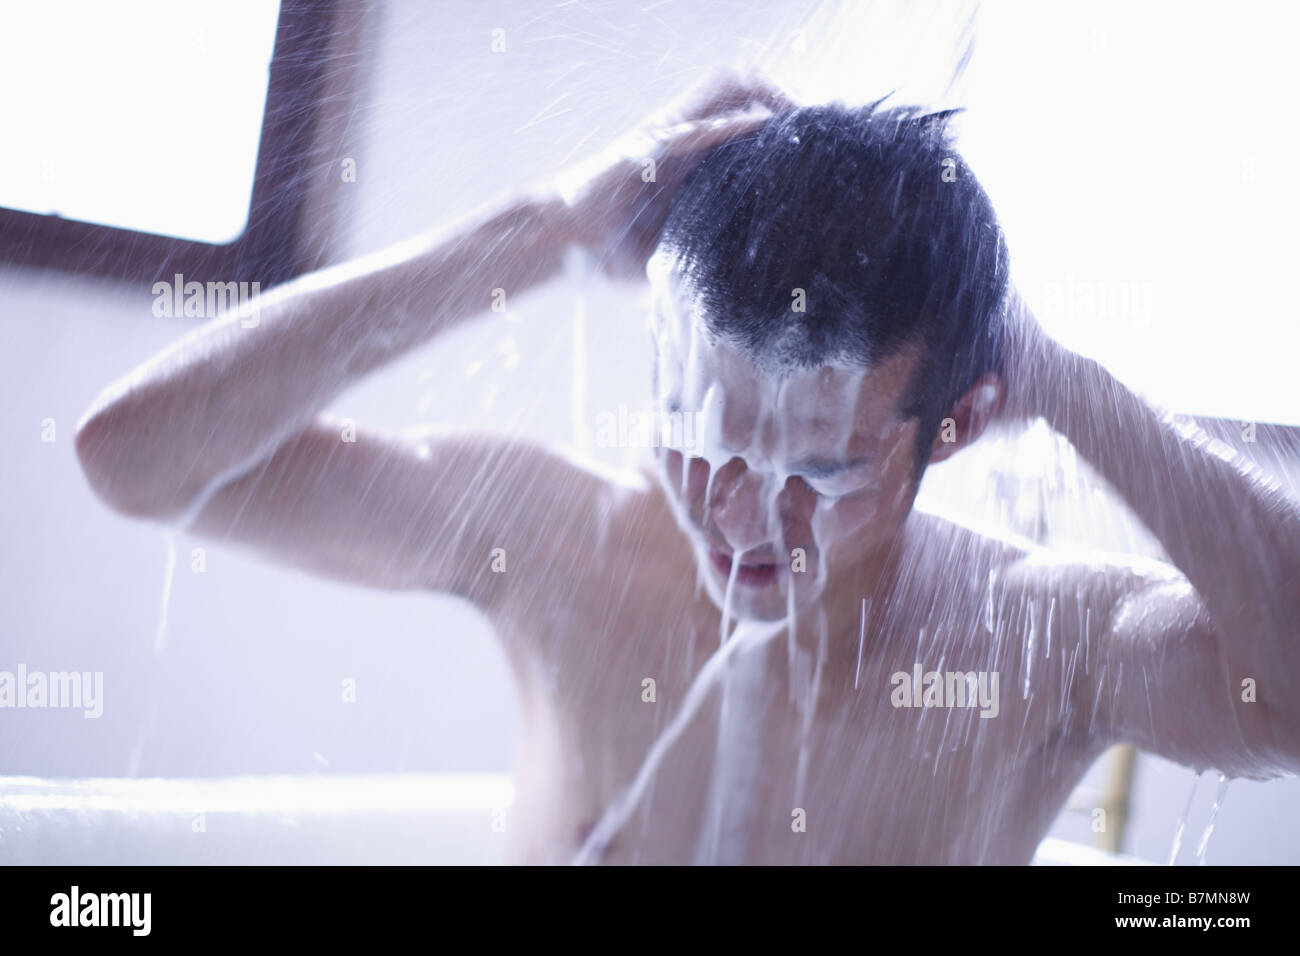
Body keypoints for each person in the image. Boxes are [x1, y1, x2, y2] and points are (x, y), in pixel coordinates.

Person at [75, 74, 1300, 864]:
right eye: (696, 430)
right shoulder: (555, 540)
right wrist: (540, 227)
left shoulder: (1037, 645)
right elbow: (133, 459)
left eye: (817, 467)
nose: (736, 512)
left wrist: (1065, 381)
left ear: (961, 422)